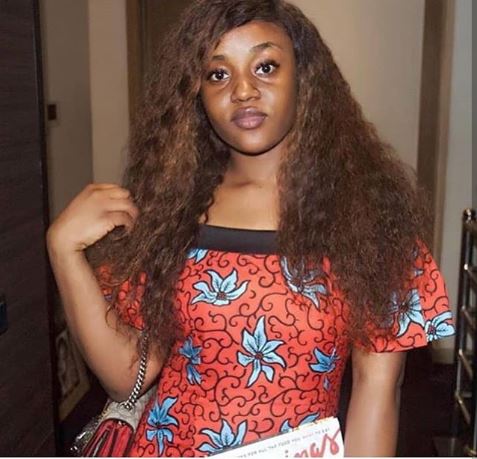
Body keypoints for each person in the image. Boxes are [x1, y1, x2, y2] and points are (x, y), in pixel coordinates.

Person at [46, 0, 455, 456]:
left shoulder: (369, 218)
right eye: (218, 74)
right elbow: (128, 379)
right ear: (197, 92)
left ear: (303, 76)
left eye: (266, 67)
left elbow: (377, 391)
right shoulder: (173, 207)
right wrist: (64, 252)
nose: (243, 90)